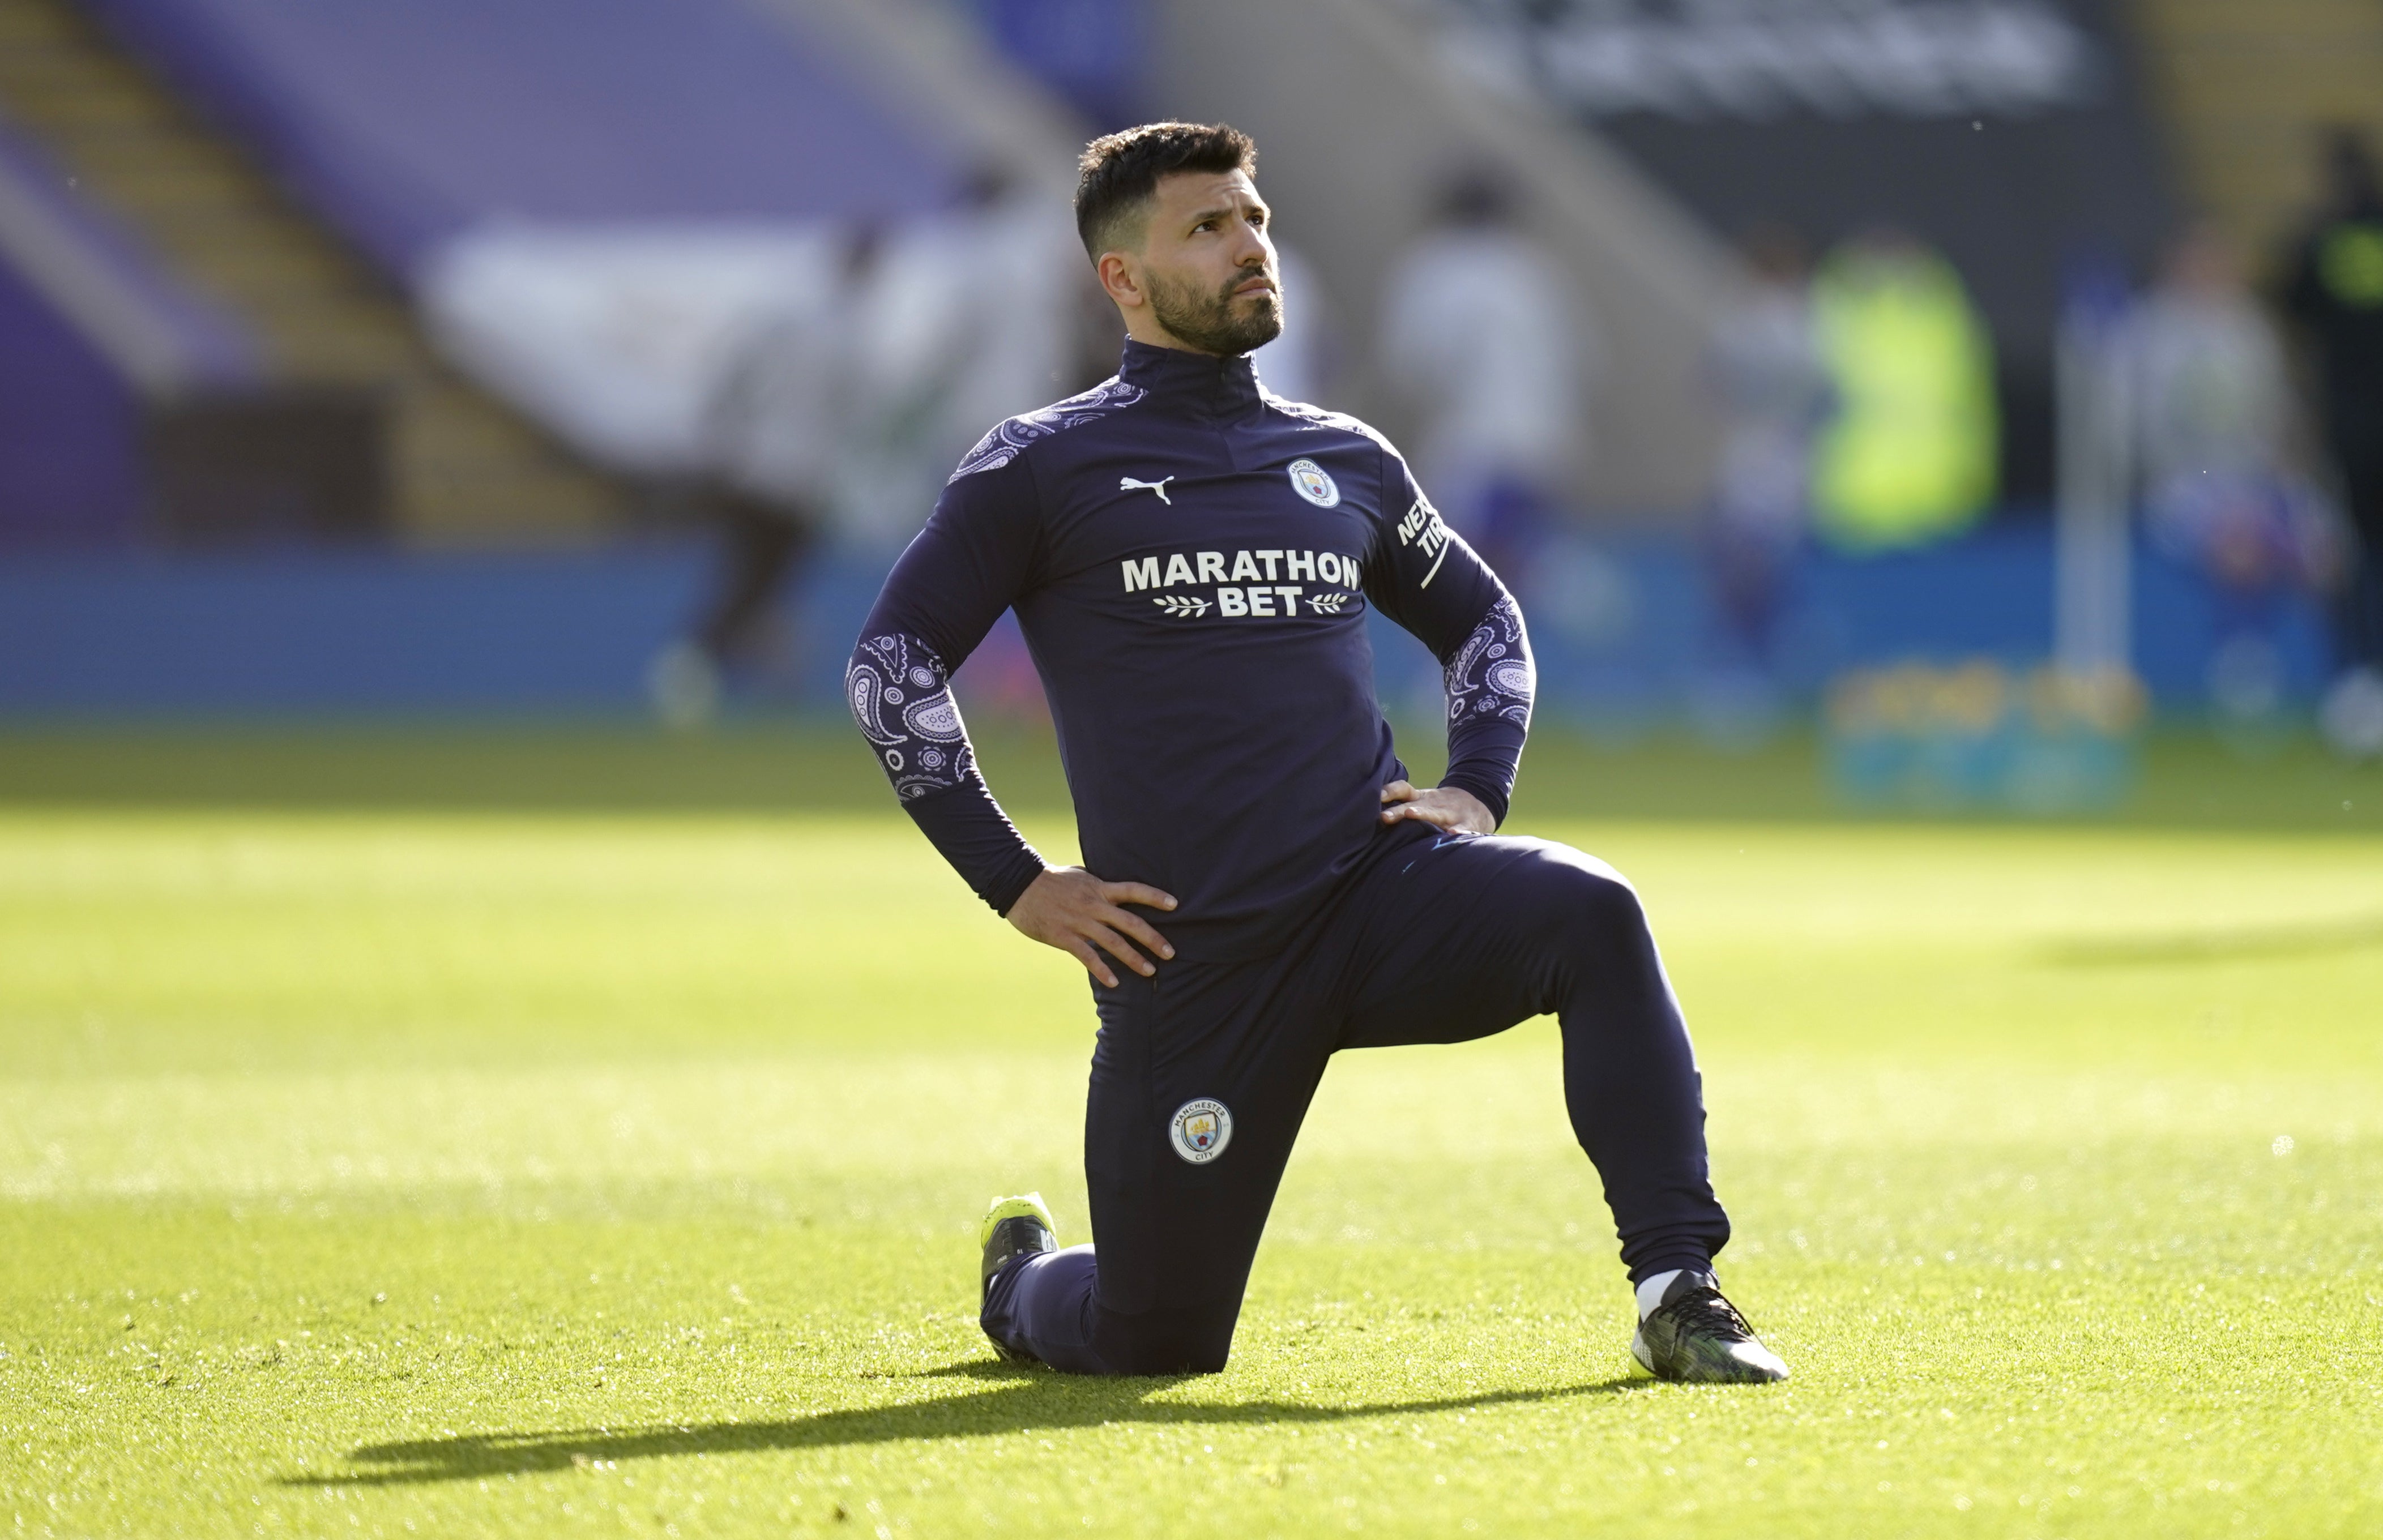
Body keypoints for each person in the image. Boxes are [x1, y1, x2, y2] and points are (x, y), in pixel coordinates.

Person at [845, 121, 1786, 1384]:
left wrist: (1475, 784)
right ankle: (1024, 1287)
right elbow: (890, 668)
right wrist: (1016, 882)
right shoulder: (1042, 464)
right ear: (1122, 279)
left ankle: (1679, 1290)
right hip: (1194, 958)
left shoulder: (1341, 457)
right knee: (1153, 1344)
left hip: (1375, 896)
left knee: (1591, 911)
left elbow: (1484, 619)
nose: (1250, 245)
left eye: (1254, 219)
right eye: (1207, 227)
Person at [649, 222, 884, 726]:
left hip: (750, 467)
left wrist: (722, 437)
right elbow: (856, 419)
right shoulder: (853, 338)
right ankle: (701, 668)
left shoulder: (784, 316)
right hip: (800, 482)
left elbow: (734, 374)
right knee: (763, 582)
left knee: (751, 576)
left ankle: (732, 668)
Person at [2132, 223, 2333, 722]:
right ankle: (2243, 669)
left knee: (2326, 546)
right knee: (2238, 541)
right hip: (2181, 481)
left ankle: (2347, 675)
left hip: (2250, 476)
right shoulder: (2150, 332)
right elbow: (2140, 424)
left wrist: (2285, 463)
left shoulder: (2248, 327)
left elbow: (2275, 412)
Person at [1377, 172, 1590, 578]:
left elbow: (1412, 364)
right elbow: (1581, 361)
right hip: (1544, 448)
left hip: (1473, 448)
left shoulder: (1435, 267)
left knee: (1454, 584)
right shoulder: (1533, 269)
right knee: (1517, 573)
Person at [2280, 129, 2383, 758]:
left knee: (2346, 557)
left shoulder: (2318, 242)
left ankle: (2354, 683)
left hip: (2345, 427)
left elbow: (2291, 315)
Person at [1808, 228, 1998, 552]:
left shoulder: (1947, 316)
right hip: (1853, 518)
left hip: (1942, 515)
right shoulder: (1829, 314)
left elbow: (1975, 410)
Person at [1703, 225, 1830, 681]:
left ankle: (1744, 670)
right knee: (1773, 568)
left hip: (1754, 458)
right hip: (1791, 460)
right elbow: (1828, 398)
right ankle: (1774, 666)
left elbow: (1713, 382)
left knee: (1743, 571)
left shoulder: (1746, 325)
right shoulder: (1813, 324)